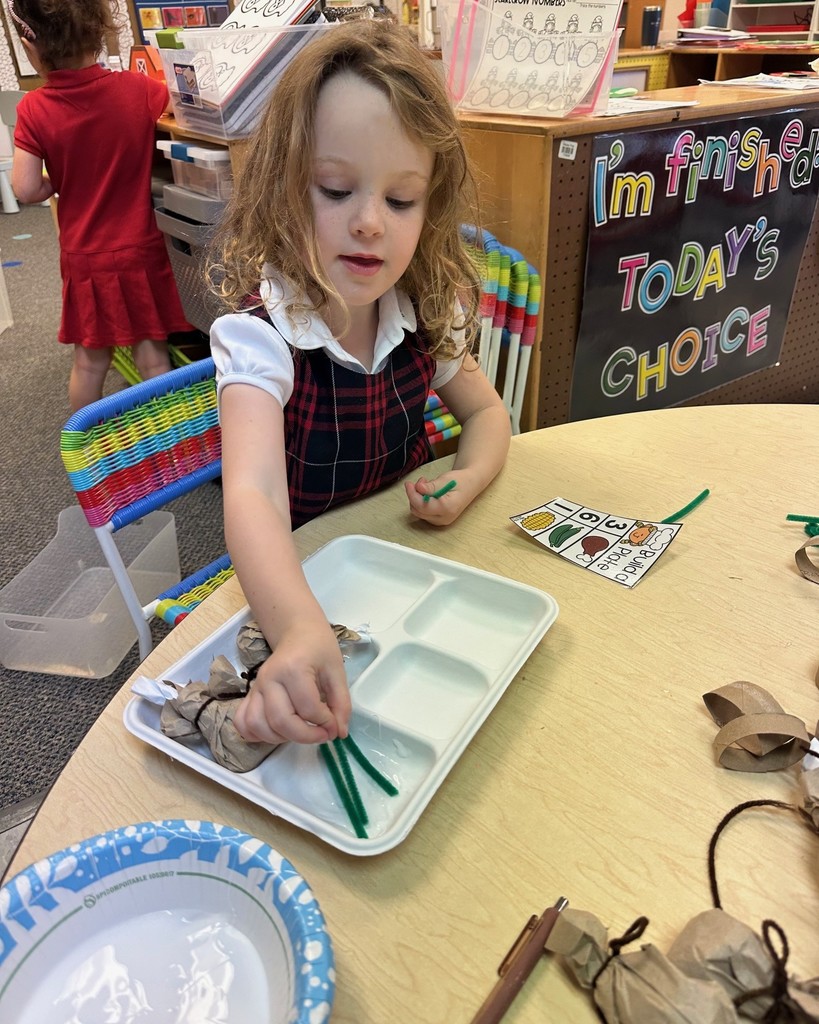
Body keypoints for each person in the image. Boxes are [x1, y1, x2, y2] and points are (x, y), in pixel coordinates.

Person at [207, 19, 511, 751]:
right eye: (336, 189)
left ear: (429, 208)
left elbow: (489, 414)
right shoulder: (263, 338)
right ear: (284, 187)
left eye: (401, 200)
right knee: (272, 731)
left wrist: (467, 478)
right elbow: (251, 494)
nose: (369, 222)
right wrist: (298, 625)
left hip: (401, 578)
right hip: (297, 589)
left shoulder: (419, 316)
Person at [9, 0, 191, 411]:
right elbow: (175, 113)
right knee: (152, 354)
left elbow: (24, 188)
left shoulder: (33, 109)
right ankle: (168, 442)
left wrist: (63, 179)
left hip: (85, 259)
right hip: (141, 249)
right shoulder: (140, 90)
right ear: (99, 34)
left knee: (90, 361)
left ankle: (91, 446)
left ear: (30, 46)